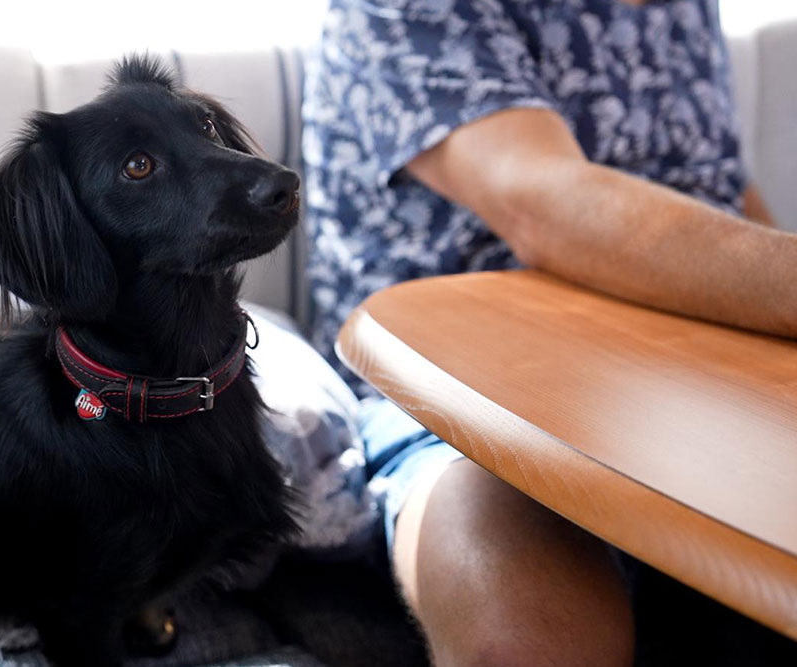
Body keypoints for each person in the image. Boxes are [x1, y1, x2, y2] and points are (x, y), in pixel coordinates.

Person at [302, 0, 797, 664]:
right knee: (530, 635)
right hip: (457, 404)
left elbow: (724, 194)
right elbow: (540, 200)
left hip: (689, 396)